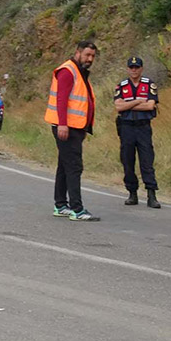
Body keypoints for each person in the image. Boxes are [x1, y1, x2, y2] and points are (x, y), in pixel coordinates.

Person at [44, 40, 99, 221]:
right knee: (74, 166)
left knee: (64, 166)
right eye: (87, 55)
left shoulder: (79, 72)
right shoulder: (68, 71)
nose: (90, 59)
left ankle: (60, 204)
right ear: (78, 53)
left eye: (92, 56)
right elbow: (62, 99)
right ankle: (77, 208)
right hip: (67, 127)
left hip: (76, 127)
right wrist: (62, 124)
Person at [114, 56, 160, 208]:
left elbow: (150, 106)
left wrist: (128, 104)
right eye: (131, 67)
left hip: (143, 127)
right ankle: (132, 193)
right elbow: (118, 107)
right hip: (126, 127)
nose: (134, 70)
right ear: (128, 69)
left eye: (137, 67)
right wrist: (138, 101)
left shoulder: (149, 84)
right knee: (127, 160)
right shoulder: (122, 85)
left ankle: (151, 194)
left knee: (147, 160)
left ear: (141, 68)